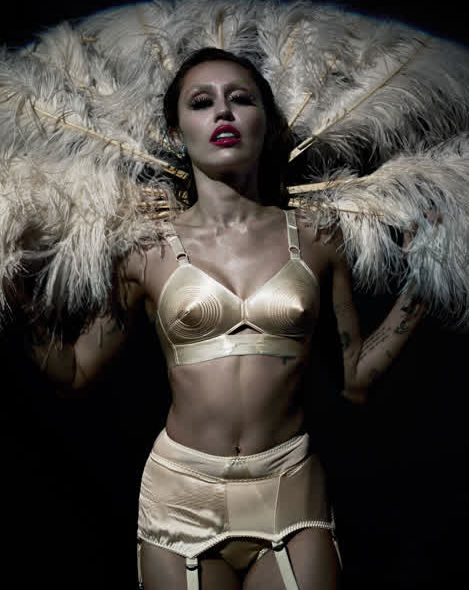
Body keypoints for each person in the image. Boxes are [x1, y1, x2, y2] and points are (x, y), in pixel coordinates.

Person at [29, 47, 426, 590]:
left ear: (267, 123)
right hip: (181, 497)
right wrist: (11, 288)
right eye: (201, 102)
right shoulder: (145, 250)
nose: (223, 112)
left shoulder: (317, 237)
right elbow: (75, 370)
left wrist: (427, 281)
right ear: (177, 134)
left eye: (241, 99)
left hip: (290, 487)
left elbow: (354, 380)